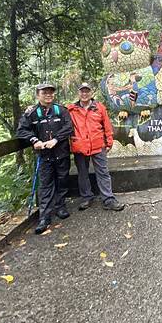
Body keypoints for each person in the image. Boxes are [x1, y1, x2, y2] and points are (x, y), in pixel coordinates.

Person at [16, 83, 74, 234]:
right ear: (38, 95)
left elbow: (69, 127)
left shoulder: (60, 110)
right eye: (44, 92)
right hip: (44, 156)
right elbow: (22, 130)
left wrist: (56, 139)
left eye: (50, 92)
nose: (48, 95)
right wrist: (34, 140)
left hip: (61, 153)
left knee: (62, 180)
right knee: (46, 185)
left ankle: (60, 207)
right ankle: (44, 217)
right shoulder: (31, 113)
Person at [67, 83, 125, 211]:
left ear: (91, 93)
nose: (84, 94)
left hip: (98, 145)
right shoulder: (71, 110)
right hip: (80, 146)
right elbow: (56, 113)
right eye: (82, 91)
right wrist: (34, 107)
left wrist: (109, 142)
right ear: (78, 93)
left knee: (103, 172)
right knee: (82, 173)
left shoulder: (99, 107)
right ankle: (87, 197)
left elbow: (107, 126)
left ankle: (108, 199)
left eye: (87, 91)